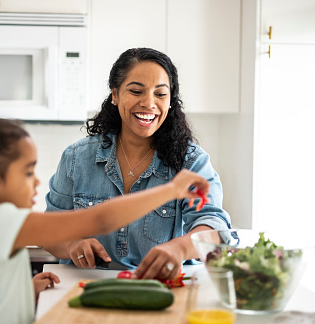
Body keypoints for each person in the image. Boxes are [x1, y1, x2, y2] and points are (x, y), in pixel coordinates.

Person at [0, 110, 210, 324]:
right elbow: (100, 218)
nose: (37, 181)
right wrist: (172, 189)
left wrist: (22, 292)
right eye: (28, 172)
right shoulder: (4, 222)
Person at [44, 47, 231, 281]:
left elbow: (214, 228)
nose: (149, 103)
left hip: (162, 286)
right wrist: (72, 245)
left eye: (160, 94)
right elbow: (49, 231)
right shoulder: (76, 158)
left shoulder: (192, 161)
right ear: (115, 94)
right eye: (136, 91)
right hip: (87, 285)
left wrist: (179, 248)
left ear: (171, 100)